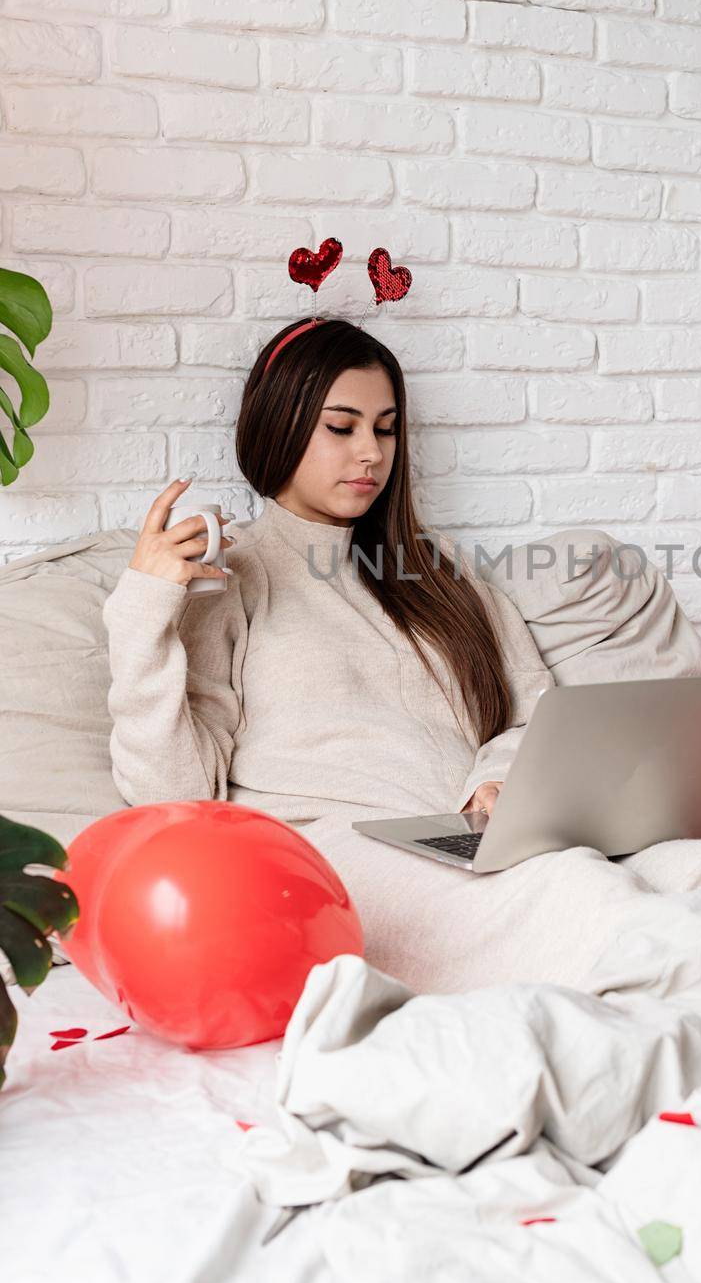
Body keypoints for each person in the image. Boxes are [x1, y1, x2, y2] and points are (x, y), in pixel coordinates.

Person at [101, 316, 578, 991]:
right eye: (342, 426)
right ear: (280, 426)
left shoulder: (438, 567)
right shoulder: (232, 574)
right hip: (338, 859)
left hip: (474, 841)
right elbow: (174, 794)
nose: (371, 454)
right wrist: (144, 608)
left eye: (385, 429)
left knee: (688, 870)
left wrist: (491, 780)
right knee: (582, 901)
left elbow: (537, 714)